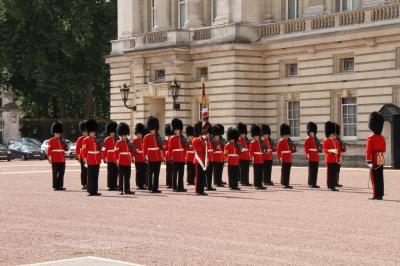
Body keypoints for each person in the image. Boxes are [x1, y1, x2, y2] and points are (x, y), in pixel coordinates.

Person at [366, 112, 386, 200]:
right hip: (381, 156)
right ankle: (380, 194)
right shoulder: (382, 137)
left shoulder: (371, 138)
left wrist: (369, 161)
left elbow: (368, 151)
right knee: (380, 176)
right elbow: (384, 149)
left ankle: (375, 194)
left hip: (374, 157)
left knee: (374, 177)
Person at [82, 119, 102, 196]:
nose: (93, 133)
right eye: (91, 132)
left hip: (96, 159)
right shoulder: (85, 140)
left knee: (96, 176)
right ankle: (90, 190)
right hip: (90, 159)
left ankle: (95, 191)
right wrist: (85, 159)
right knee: (90, 176)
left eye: (94, 132)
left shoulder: (97, 139)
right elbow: (84, 150)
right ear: (89, 132)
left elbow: (99, 149)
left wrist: (100, 156)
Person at [143, 116, 163, 193]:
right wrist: (146, 157)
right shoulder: (146, 137)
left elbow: (161, 147)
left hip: (158, 157)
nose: (153, 131)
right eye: (152, 129)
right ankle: (150, 187)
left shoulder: (158, 136)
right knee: (150, 174)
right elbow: (145, 148)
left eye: (154, 129)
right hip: (151, 157)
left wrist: (163, 146)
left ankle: (155, 188)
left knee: (157, 174)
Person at [115, 122, 135, 195]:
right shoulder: (118, 142)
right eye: (123, 135)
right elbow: (116, 152)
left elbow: (131, 151)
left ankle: (127, 190)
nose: (124, 136)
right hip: (121, 161)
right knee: (121, 177)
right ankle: (120, 190)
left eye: (125, 135)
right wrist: (117, 160)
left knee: (127, 177)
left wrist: (132, 158)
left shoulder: (129, 143)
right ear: (120, 135)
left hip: (128, 161)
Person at [48, 121, 68, 191]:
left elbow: (65, 149)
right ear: (54, 133)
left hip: (62, 159)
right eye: (57, 133)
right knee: (55, 173)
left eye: (59, 133)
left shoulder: (62, 140)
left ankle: (60, 186)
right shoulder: (51, 141)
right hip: (55, 159)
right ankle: (55, 186)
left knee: (62, 173)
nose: (58, 134)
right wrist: (50, 158)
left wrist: (66, 145)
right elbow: (50, 150)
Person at [169, 118, 187, 192]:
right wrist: (171, 157)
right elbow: (170, 149)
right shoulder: (172, 138)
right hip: (175, 158)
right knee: (175, 174)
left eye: (178, 130)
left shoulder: (183, 138)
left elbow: (185, 148)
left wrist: (185, 156)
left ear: (180, 130)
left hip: (182, 158)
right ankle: (174, 187)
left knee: (181, 174)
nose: (176, 131)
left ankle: (181, 187)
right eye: (175, 130)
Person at [277, 124, 296, 189]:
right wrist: (280, 158)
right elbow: (278, 151)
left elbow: (291, 149)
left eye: (287, 135)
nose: (287, 136)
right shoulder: (280, 141)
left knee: (288, 171)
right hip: (284, 158)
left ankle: (287, 183)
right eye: (286, 135)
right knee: (284, 171)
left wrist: (293, 149)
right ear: (283, 135)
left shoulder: (289, 141)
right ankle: (283, 183)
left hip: (289, 158)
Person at [323, 121, 341, 192]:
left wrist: (339, 158)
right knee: (330, 173)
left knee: (334, 173)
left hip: (335, 160)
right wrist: (332, 151)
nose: (333, 135)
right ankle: (329, 186)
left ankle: (333, 186)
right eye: (332, 134)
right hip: (330, 159)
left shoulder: (336, 141)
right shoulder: (326, 141)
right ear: (329, 134)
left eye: (334, 134)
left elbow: (339, 151)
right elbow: (325, 150)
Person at [192, 121, 208, 196]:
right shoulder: (196, 139)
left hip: (203, 159)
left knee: (202, 176)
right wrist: (201, 139)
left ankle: (201, 190)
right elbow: (198, 148)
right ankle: (197, 191)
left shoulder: (202, 139)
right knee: (198, 176)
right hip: (198, 159)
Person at [102, 121, 118, 191]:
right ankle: (110, 185)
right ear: (109, 132)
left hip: (116, 158)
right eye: (111, 132)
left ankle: (114, 184)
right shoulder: (106, 140)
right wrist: (104, 158)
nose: (113, 134)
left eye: (113, 132)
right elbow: (103, 149)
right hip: (109, 158)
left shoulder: (117, 140)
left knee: (116, 172)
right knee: (110, 173)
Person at [304, 122, 321, 188]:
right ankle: (310, 183)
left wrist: (319, 148)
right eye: (310, 132)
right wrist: (307, 155)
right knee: (311, 171)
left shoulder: (316, 139)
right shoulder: (307, 139)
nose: (312, 134)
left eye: (313, 132)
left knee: (315, 171)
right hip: (311, 156)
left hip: (316, 156)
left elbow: (318, 147)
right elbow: (306, 148)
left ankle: (314, 183)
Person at [249, 124, 266, 190]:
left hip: (261, 159)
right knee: (256, 173)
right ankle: (256, 184)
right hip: (256, 159)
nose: (257, 137)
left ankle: (260, 184)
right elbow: (251, 152)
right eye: (256, 136)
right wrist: (252, 159)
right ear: (254, 136)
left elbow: (262, 151)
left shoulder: (261, 142)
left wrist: (265, 152)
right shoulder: (252, 143)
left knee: (261, 173)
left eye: (258, 136)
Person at [132, 123, 147, 190]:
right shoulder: (134, 141)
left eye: (140, 134)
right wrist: (133, 157)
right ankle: (139, 184)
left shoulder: (144, 140)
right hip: (137, 158)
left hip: (144, 158)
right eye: (138, 134)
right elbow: (133, 150)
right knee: (138, 172)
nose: (139, 135)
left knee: (144, 171)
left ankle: (143, 183)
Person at [75, 120, 88, 190]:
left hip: (89, 157)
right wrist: (77, 157)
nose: (84, 133)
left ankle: (89, 183)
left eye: (86, 131)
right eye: (84, 132)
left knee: (89, 171)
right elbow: (77, 148)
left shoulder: (89, 139)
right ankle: (84, 184)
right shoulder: (80, 139)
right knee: (84, 171)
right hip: (83, 157)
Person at [205, 124, 216, 191]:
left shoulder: (210, 140)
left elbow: (213, 149)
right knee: (206, 173)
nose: (208, 134)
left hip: (211, 158)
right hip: (206, 158)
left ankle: (209, 185)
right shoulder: (204, 140)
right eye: (208, 133)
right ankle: (206, 185)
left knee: (210, 173)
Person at [335, 123, 345, 188]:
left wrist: (343, 148)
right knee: (333, 170)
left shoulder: (338, 139)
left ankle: (336, 182)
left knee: (337, 170)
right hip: (333, 157)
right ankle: (333, 182)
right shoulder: (331, 139)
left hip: (338, 156)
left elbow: (341, 148)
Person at [164, 123, 173, 189]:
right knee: (168, 171)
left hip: (173, 156)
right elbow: (164, 149)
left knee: (173, 171)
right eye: (169, 135)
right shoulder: (166, 141)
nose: (169, 136)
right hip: (167, 157)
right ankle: (168, 183)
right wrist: (164, 157)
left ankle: (172, 183)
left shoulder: (172, 139)